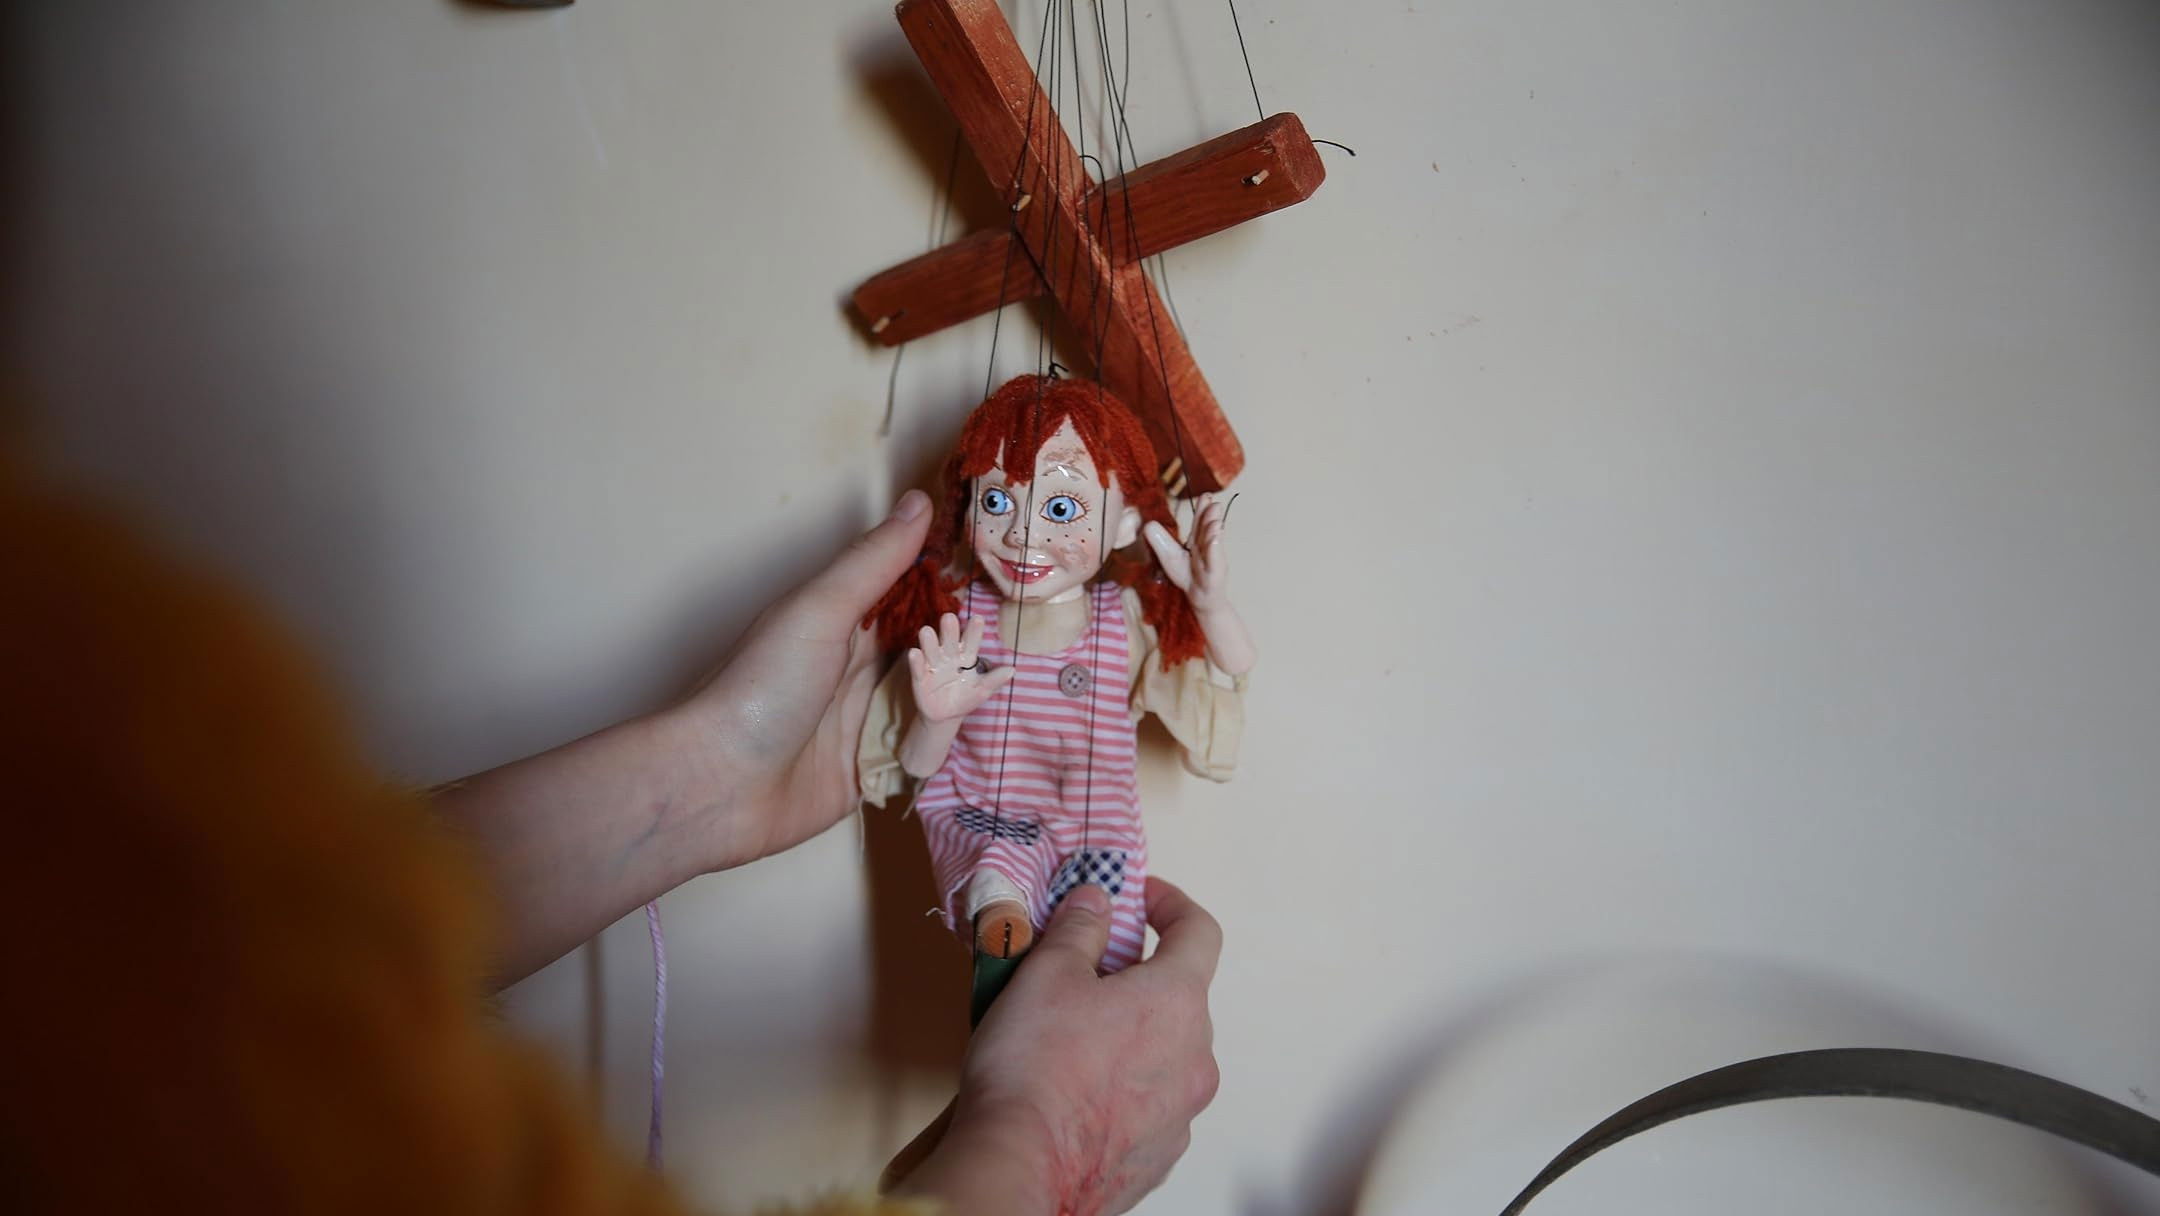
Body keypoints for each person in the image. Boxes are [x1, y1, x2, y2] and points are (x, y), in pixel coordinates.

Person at [2, 452, 1221, 1216]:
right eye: (1001, 498)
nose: (1024, 533)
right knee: (998, 890)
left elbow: (209, 972)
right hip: (994, 839)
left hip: (1069, 842)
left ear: (1118, 520)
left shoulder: (96, 842)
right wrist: (1037, 1145)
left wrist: (712, 774)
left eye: (1063, 504)